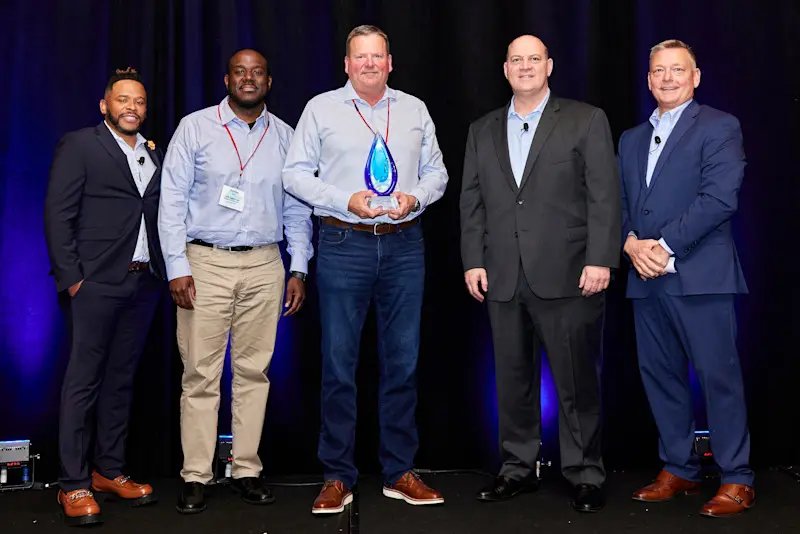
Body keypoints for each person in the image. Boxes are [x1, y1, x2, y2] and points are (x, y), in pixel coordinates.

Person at [283, 25, 448, 514]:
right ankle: (337, 475)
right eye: (361, 57)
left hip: (405, 245)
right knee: (339, 365)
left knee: (403, 363)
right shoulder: (321, 109)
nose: (370, 64)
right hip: (343, 242)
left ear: (390, 63)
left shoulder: (414, 109)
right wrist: (344, 200)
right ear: (347, 64)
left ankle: (399, 471)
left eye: (377, 56)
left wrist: (416, 197)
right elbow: (294, 174)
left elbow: (438, 171)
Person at [460, 35, 620, 513]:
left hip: (571, 273)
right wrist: (473, 259)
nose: (525, 66)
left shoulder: (586, 119)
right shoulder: (481, 130)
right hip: (502, 275)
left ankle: (585, 473)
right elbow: (472, 202)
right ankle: (516, 468)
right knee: (512, 382)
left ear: (549, 66)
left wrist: (601, 258)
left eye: (534, 59)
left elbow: (604, 195)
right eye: (516, 60)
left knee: (575, 383)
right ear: (505, 69)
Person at [158, 49, 313, 514]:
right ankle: (195, 475)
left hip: (265, 264)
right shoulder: (195, 127)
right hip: (204, 263)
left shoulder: (286, 136)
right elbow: (171, 200)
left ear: (269, 81)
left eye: (257, 72)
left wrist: (298, 267)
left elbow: (297, 209)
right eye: (240, 72)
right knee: (200, 374)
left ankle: (246, 469)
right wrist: (176, 266)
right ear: (227, 79)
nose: (249, 79)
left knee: (253, 373)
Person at [619, 39, 753, 518]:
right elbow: (620, 204)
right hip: (645, 278)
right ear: (648, 79)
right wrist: (630, 243)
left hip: (701, 276)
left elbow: (719, 199)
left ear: (695, 77)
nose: (668, 78)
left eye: (678, 69)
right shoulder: (631, 139)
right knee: (661, 377)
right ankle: (679, 467)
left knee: (719, 379)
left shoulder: (719, 126)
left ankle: (737, 477)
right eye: (659, 70)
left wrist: (663, 246)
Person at [44, 68, 164, 526]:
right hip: (94, 284)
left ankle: (108, 471)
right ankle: (72, 484)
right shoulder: (80, 145)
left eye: (140, 101)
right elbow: (57, 214)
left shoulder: (152, 152)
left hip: (142, 282)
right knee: (83, 383)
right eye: (123, 99)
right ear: (105, 105)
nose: (132, 107)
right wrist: (73, 279)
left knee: (121, 381)